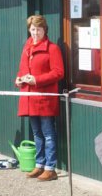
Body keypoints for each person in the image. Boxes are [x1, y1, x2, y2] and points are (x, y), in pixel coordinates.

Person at [15, 15, 65, 181]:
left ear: (45, 30)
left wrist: (36, 80)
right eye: (33, 29)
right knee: (37, 133)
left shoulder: (53, 48)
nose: (35, 32)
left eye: (38, 29)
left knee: (48, 133)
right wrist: (19, 79)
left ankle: (50, 168)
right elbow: (23, 69)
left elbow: (58, 72)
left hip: (44, 98)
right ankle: (39, 164)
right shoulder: (27, 46)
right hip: (30, 97)